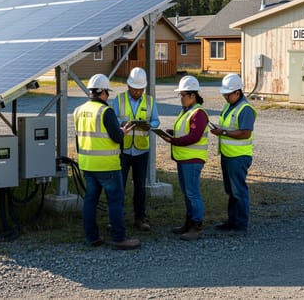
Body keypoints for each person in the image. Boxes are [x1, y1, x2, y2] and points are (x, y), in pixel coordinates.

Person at [74, 73, 140, 250]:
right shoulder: (105, 111)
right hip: (107, 166)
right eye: (107, 93)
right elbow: (117, 137)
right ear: (102, 92)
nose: (107, 97)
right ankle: (119, 238)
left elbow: (78, 138)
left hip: (87, 164)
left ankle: (92, 237)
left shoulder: (78, 110)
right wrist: (123, 132)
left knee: (90, 200)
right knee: (115, 200)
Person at [157, 75, 209, 241]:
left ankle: (197, 226)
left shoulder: (198, 113)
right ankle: (189, 223)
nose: (180, 98)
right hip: (184, 159)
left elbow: (194, 137)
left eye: (183, 95)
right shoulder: (187, 111)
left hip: (192, 159)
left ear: (192, 95)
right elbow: (186, 132)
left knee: (193, 193)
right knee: (188, 193)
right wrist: (173, 134)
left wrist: (172, 140)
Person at [109, 67, 160, 231]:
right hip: (123, 150)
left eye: (140, 89)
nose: (137, 92)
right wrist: (121, 124)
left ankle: (140, 217)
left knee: (140, 187)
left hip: (141, 151)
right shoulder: (119, 99)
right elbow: (113, 118)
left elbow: (156, 121)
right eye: (134, 89)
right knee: (119, 186)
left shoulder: (150, 101)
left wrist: (149, 125)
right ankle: (116, 219)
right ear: (128, 86)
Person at [209, 73, 256, 234]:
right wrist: (220, 130)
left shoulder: (245, 109)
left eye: (227, 94)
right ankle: (232, 221)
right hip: (228, 154)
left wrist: (222, 133)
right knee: (230, 190)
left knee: (238, 190)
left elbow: (245, 133)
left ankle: (241, 224)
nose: (225, 97)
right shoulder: (230, 106)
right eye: (224, 94)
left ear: (237, 92)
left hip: (238, 156)